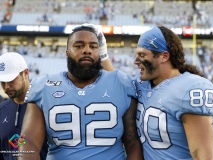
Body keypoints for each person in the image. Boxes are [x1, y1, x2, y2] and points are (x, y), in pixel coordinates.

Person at [18, 25, 143, 160]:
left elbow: (133, 143)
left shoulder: (120, 82)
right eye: (79, 46)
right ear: (67, 53)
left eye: (93, 46)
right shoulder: (44, 85)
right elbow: (27, 141)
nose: (87, 51)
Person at [132, 26, 213, 159]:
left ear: (164, 56)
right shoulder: (140, 85)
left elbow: (203, 154)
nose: (136, 61)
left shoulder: (192, 87)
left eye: (142, 55)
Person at [0, 52, 48, 160]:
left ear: (26, 73)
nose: (6, 86)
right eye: (2, 82)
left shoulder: (46, 107)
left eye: (11, 80)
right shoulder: (1, 110)